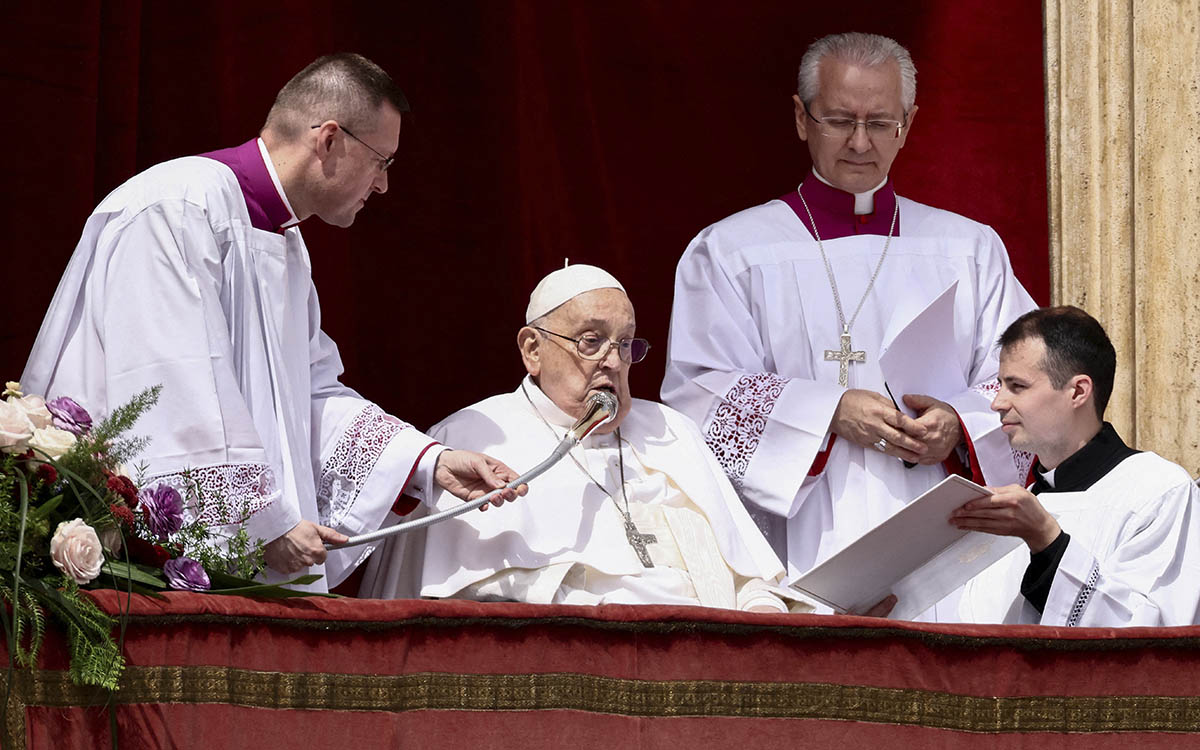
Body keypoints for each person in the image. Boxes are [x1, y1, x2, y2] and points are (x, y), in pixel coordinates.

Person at [20, 53, 522, 592]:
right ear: (329, 139)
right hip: (139, 570)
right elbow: (168, 385)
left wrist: (425, 462)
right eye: (382, 161)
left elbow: (309, 395)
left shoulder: (284, 243)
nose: (382, 186)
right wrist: (258, 523)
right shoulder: (176, 207)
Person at [660, 32, 1036, 618]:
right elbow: (696, 396)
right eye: (839, 120)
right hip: (802, 529)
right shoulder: (733, 251)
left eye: (880, 123)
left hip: (945, 527)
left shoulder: (969, 248)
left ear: (908, 124)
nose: (860, 143)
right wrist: (828, 411)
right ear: (801, 117)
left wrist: (959, 424)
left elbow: (1024, 378)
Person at [361, 264, 813, 613]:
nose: (614, 363)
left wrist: (764, 615)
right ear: (532, 350)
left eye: (626, 344)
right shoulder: (470, 437)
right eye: (591, 342)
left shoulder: (674, 433)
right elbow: (444, 605)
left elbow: (749, 578)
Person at [953, 307, 1200, 626]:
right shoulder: (1011, 508)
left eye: (1017, 386)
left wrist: (1047, 542)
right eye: (1000, 385)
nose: (997, 403)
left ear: (1079, 391)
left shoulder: (1159, 492)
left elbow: (1146, 640)